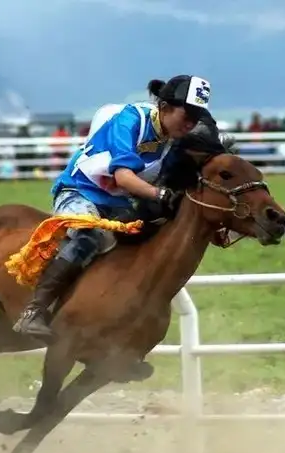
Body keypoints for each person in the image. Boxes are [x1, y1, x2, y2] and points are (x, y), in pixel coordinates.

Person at [12, 74, 213, 339]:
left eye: (196, 117)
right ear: (164, 107)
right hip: (79, 191)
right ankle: (33, 312)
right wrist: (160, 194)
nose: (190, 123)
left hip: (118, 202)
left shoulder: (174, 138)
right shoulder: (130, 120)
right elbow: (123, 177)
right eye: (187, 115)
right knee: (89, 236)